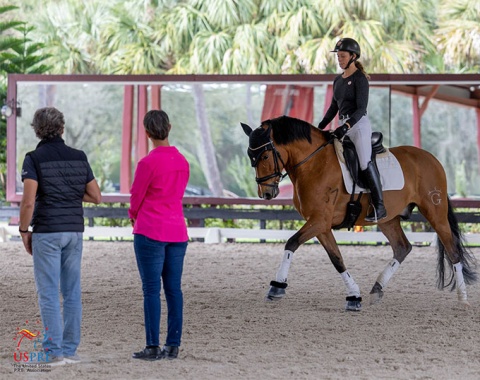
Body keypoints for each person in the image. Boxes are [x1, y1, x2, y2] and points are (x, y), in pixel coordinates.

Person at [19, 107, 102, 366]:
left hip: (48, 231)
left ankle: (53, 351)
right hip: (74, 232)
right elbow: (95, 196)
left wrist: (23, 231)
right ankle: (69, 349)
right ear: (62, 128)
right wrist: (68, 193)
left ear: (36, 130)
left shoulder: (34, 158)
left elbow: (28, 202)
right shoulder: (79, 156)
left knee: (48, 293)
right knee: (72, 292)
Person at [129, 110, 190, 361]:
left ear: (146, 132)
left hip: (150, 230)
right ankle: (173, 345)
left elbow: (136, 198)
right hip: (177, 230)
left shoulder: (147, 163)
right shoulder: (183, 161)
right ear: (170, 127)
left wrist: (134, 216)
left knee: (151, 290)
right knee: (174, 289)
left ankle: (152, 346)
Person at [317, 37, 387, 222]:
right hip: (343, 125)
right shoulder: (338, 80)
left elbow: (361, 108)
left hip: (358, 126)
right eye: (338, 56)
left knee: (364, 161)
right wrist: (320, 125)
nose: (339, 60)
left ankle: (379, 206)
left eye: (342, 56)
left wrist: (347, 126)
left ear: (353, 57)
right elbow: (334, 107)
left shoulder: (360, 79)